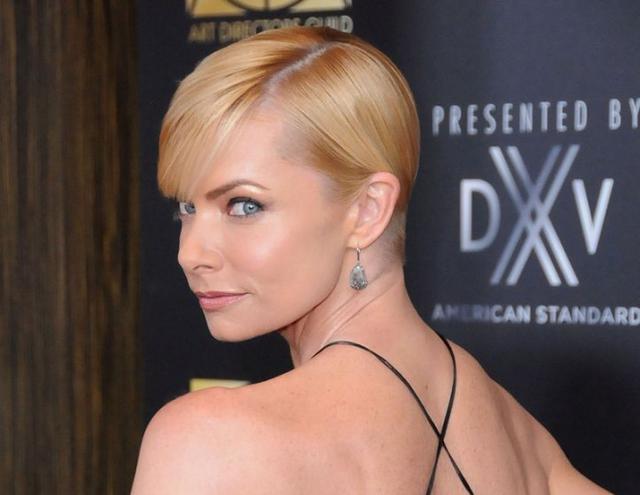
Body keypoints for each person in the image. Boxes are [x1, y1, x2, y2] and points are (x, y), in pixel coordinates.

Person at [131, 26, 609, 494]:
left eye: (243, 205)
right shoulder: (518, 438)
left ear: (367, 210)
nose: (190, 254)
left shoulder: (209, 442)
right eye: (186, 207)